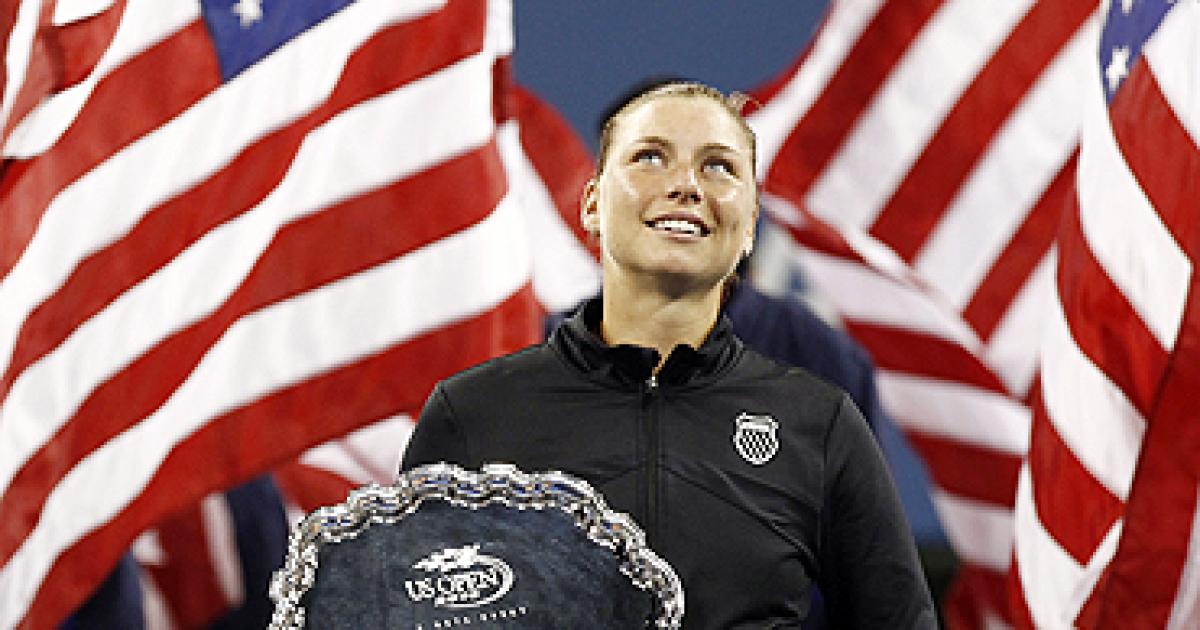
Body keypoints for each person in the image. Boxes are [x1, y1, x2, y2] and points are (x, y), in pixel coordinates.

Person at [401, 82, 936, 628]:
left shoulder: (821, 424)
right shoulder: (473, 415)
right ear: (592, 204)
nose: (685, 185)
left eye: (718, 167)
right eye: (650, 157)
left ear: (750, 224)